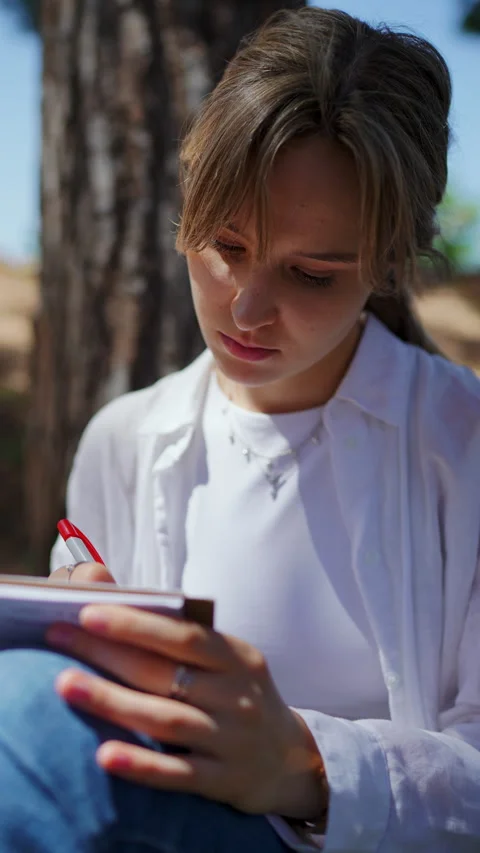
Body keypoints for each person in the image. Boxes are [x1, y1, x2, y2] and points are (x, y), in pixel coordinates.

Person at [1, 6, 479, 852]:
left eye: (311, 273)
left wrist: (308, 769)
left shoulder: (461, 446)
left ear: (391, 261)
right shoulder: (126, 440)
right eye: (225, 244)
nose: (246, 310)